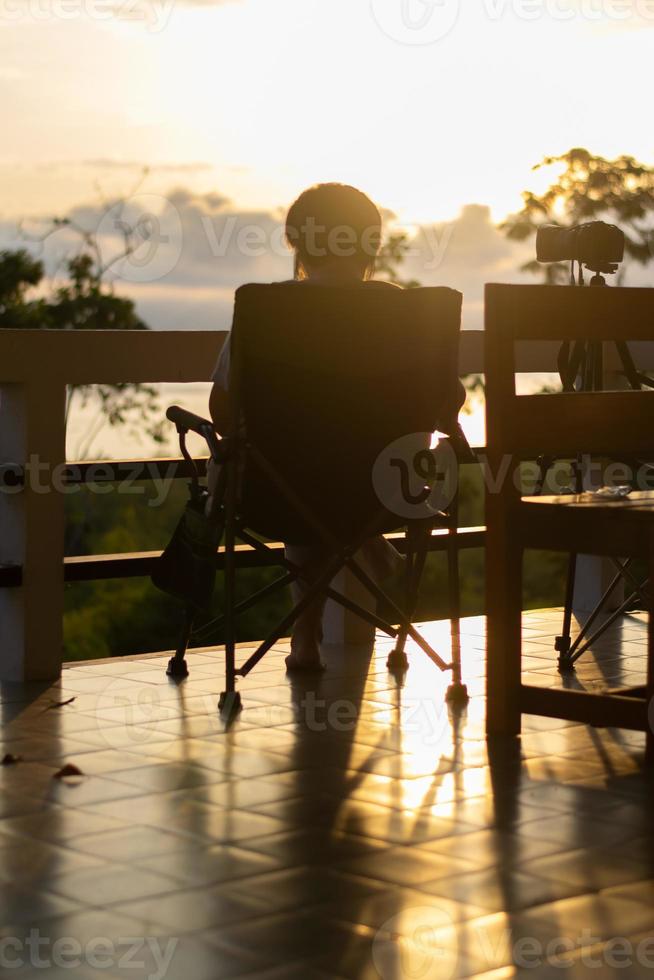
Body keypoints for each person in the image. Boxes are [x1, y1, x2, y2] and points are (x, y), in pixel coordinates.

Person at [209, 183, 465, 671]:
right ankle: (370, 545)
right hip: (388, 493)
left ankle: (304, 640)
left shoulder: (268, 311)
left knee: (303, 481)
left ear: (297, 243)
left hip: (279, 490)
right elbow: (447, 405)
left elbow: (222, 409)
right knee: (336, 481)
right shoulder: (412, 313)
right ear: (372, 244)